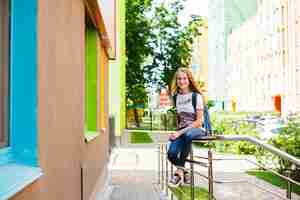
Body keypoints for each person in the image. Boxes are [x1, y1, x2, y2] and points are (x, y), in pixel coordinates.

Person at [167, 67, 207, 187]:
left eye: (184, 78)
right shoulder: (176, 97)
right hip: (182, 131)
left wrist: (180, 133)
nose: (181, 81)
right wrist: (177, 132)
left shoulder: (196, 96)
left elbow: (199, 121)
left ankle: (178, 173)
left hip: (197, 129)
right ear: (176, 81)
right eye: (179, 79)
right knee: (171, 154)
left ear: (189, 80)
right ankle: (184, 171)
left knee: (188, 135)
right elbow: (180, 119)